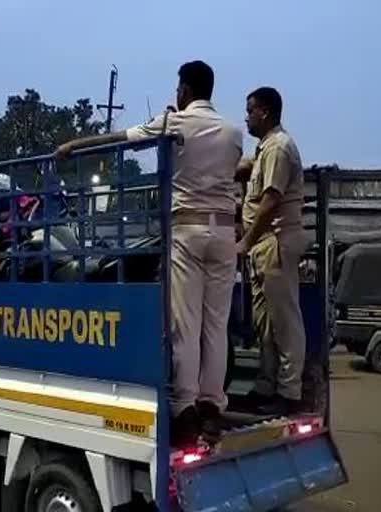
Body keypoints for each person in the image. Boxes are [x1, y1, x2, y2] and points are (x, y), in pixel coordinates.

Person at [55, 61, 242, 445]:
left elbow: (122, 138)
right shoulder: (234, 132)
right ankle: (212, 406)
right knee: (216, 325)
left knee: (185, 325)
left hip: (188, 228)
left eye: (178, 87)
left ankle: (186, 407)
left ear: (186, 90)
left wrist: (73, 146)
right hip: (224, 230)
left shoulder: (175, 124)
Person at [236, 87, 309, 416]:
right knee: (264, 323)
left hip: (275, 241)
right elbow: (247, 168)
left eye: (250, 110)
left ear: (264, 112)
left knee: (284, 321)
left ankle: (289, 391)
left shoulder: (278, 148)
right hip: (264, 245)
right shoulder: (265, 148)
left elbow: (270, 200)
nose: (246, 116)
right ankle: (266, 386)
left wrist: (246, 240)